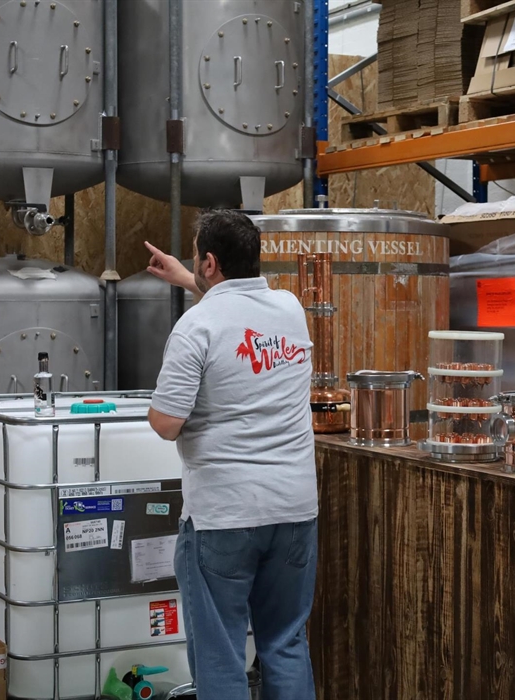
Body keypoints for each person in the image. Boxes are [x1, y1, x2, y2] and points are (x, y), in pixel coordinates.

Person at [145, 209, 318, 700]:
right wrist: (187, 279)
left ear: (209, 263)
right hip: (295, 513)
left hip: (225, 516)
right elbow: (238, 310)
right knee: (285, 643)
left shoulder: (194, 327)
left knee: (221, 654)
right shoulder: (290, 309)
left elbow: (165, 423)